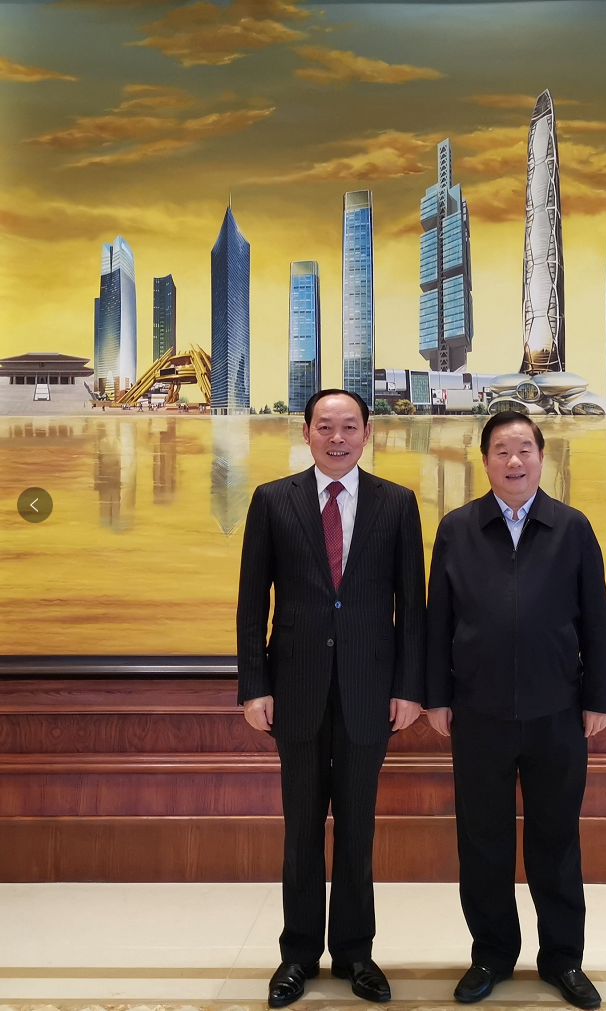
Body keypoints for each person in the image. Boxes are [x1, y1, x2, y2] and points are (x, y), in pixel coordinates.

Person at [237, 389, 427, 1007]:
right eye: (325, 426)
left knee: (357, 828)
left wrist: (409, 688)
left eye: (349, 426)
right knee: (300, 830)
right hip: (295, 688)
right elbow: (251, 603)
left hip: (370, 691)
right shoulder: (273, 500)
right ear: (306, 433)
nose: (337, 437)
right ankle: (297, 954)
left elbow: (413, 606)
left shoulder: (397, 503)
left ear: (368, 433)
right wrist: (254, 686)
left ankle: (354, 952)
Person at [426, 410, 606, 1011]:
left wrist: (599, 696)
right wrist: (436, 695)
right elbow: (438, 621)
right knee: (482, 840)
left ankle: (563, 959)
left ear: (541, 457)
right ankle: (492, 954)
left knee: (555, 840)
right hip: (477, 711)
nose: (514, 461)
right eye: (502, 451)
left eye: (525, 450)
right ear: (484, 461)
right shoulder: (458, 529)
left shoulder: (572, 527)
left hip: (557, 709)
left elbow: (596, 618)